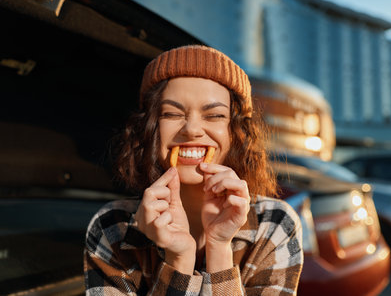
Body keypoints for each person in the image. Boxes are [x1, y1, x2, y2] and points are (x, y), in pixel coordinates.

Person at [84, 45, 303, 295]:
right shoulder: (111, 227)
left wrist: (219, 248)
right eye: (171, 113)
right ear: (151, 129)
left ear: (236, 133)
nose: (191, 129)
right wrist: (179, 260)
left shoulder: (275, 224)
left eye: (214, 115)